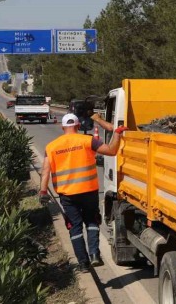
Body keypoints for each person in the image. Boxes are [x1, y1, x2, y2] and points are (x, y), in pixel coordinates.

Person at [39, 113, 127, 272]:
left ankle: (83, 264)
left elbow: (45, 171)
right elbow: (112, 150)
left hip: (67, 195)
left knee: (75, 228)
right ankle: (94, 255)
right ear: (78, 126)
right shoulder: (88, 140)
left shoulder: (51, 147)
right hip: (89, 192)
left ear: (63, 127)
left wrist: (43, 192)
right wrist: (117, 133)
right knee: (92, 222)